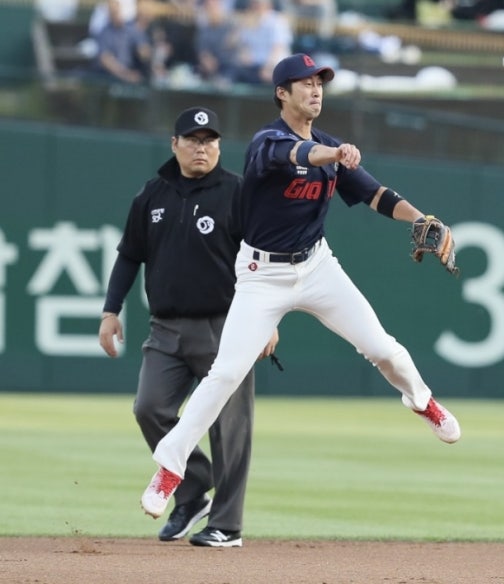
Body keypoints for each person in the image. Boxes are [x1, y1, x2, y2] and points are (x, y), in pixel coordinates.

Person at [140, 53, 462, 521]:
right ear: (281, 93)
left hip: (316, 267)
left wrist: (421, 220)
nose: (315, 90)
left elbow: (376, 195)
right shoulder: (267, 142)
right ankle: (169, 471)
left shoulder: (330, 148)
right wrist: (333, 155)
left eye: (319, 83)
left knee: (383, 348)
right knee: (226, 373)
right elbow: (295, 154)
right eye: (304, 83)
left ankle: (424, 403)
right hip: (261, 275)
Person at [100, 106, 279, 548]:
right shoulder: (152, 194)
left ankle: (227, 526)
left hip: (228, 326)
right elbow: (128, 255)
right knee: (150, 408)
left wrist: (269, 317)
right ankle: (195, 486)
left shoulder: (239, 192)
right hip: (165, 328)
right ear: (174, 144)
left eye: (211, 140)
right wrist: (110, 310)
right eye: (194, 139)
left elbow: (265, 261)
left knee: (229, 427)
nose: (203, 147)